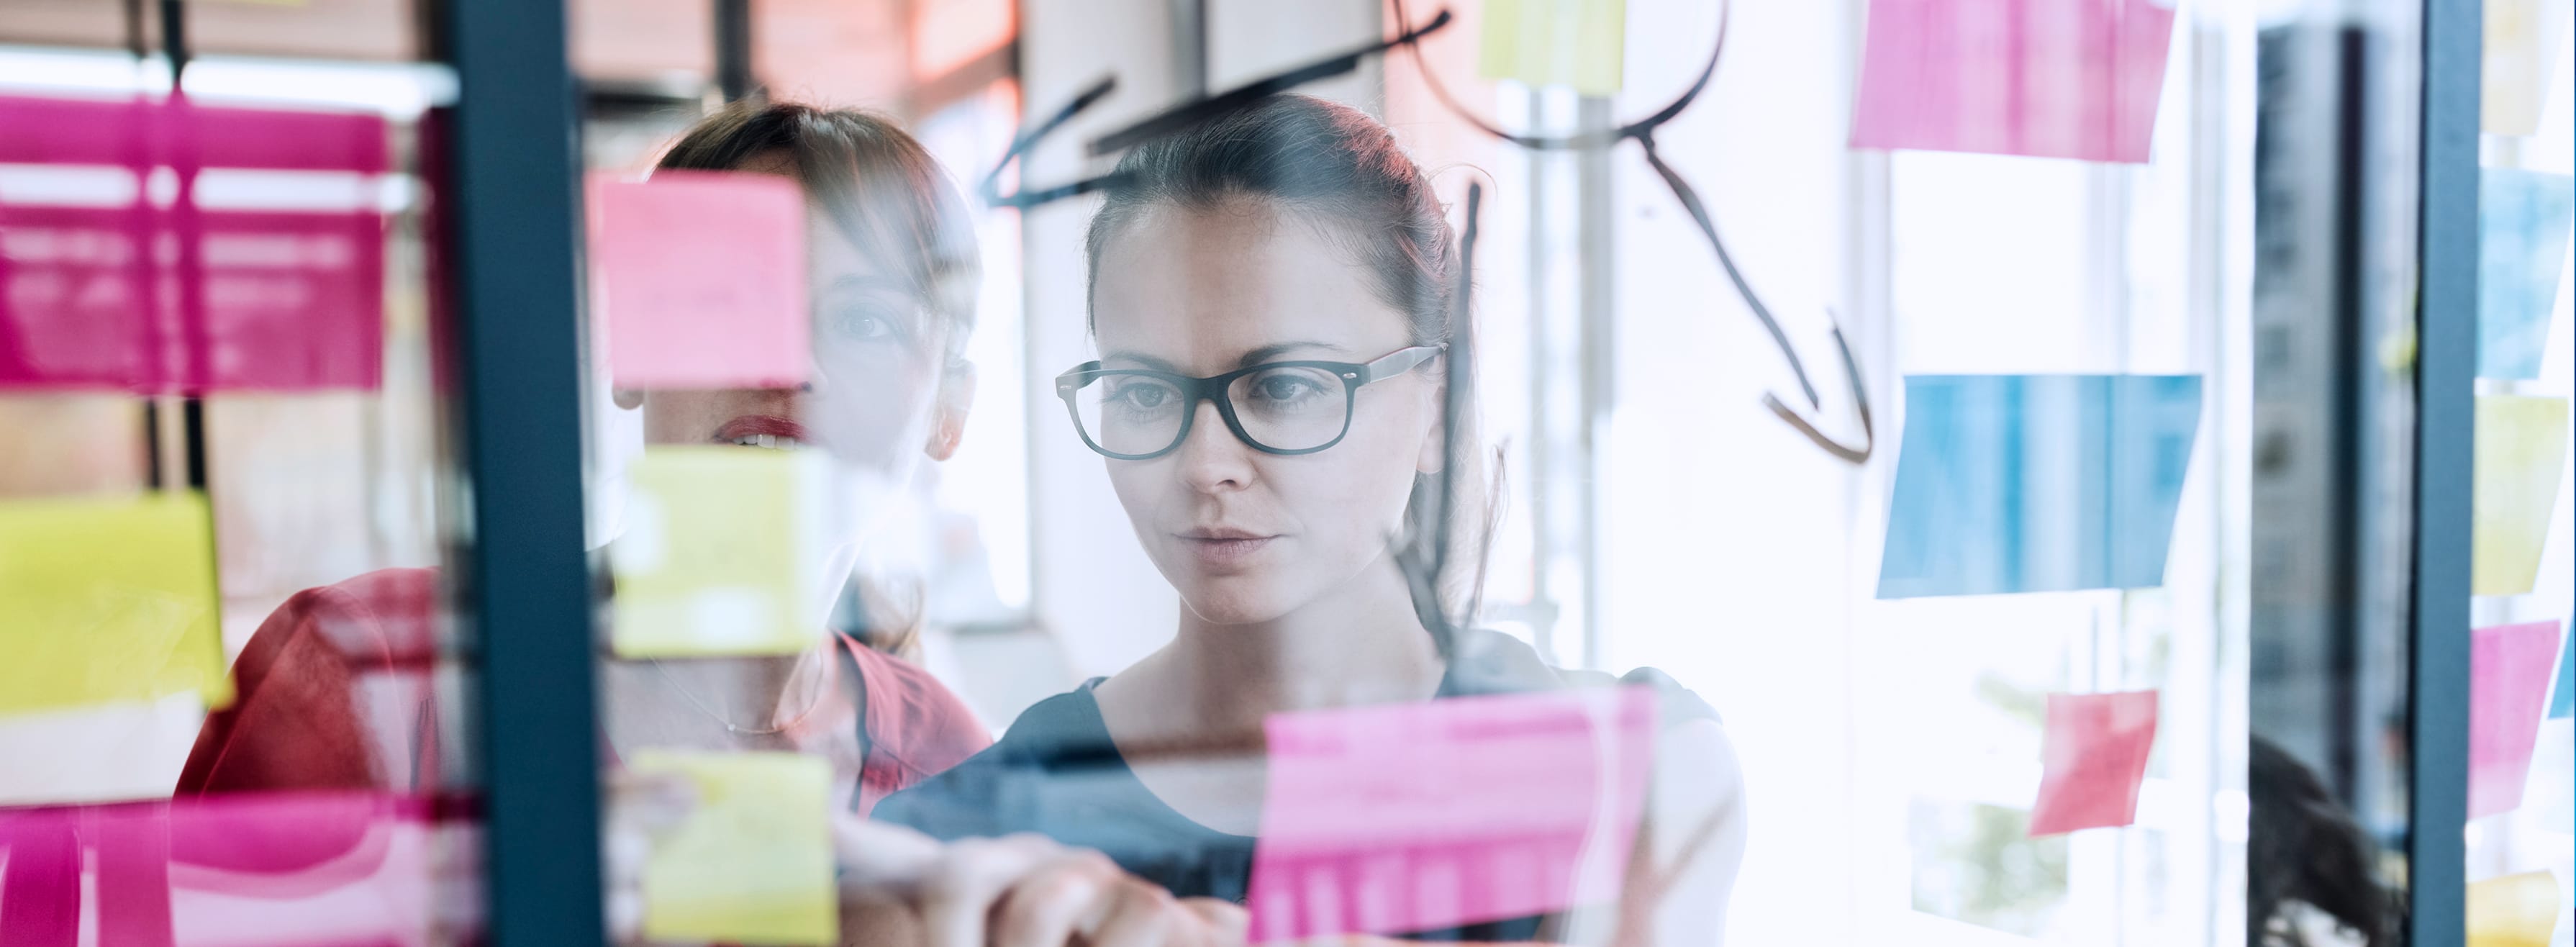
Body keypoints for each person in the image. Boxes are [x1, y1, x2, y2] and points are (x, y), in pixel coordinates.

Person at [179, 101, 1234, 946]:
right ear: (635, 351)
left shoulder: (949, 761)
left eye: (864, 321)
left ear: (948, 409)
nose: (789, 362)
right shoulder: (371, 675)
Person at [874, 94, 1749, 943]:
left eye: (1285, 386)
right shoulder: (969, 838)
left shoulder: (1635, 773)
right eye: (1144, 391)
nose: (1205, 463)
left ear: (1437, 403)